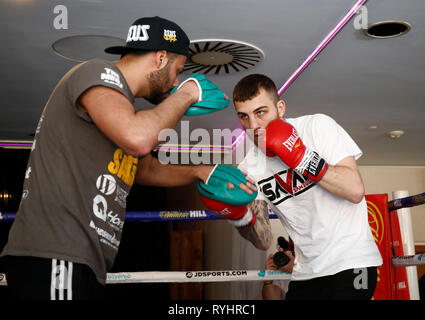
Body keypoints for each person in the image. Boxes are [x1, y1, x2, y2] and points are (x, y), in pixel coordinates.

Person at [0, 16, 255, 300]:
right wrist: (187, 95)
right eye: (178, 71)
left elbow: (144, 168)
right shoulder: (96, 73)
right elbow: (139, 138)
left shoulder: (120, 110)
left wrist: (201, 171)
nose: (176, 81)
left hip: (79, 260)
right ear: (160, 58)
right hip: (56, 252)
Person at [200, 74, 383, 300]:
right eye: (243, 116)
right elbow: (263, 238)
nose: (253, 125)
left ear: (280, 107)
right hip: (305, 273)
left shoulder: (317, 127)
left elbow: (354, 190)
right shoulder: (249, 167)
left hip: (351, 262)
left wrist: (301, 158)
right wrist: (239, 217)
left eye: (260, 112)